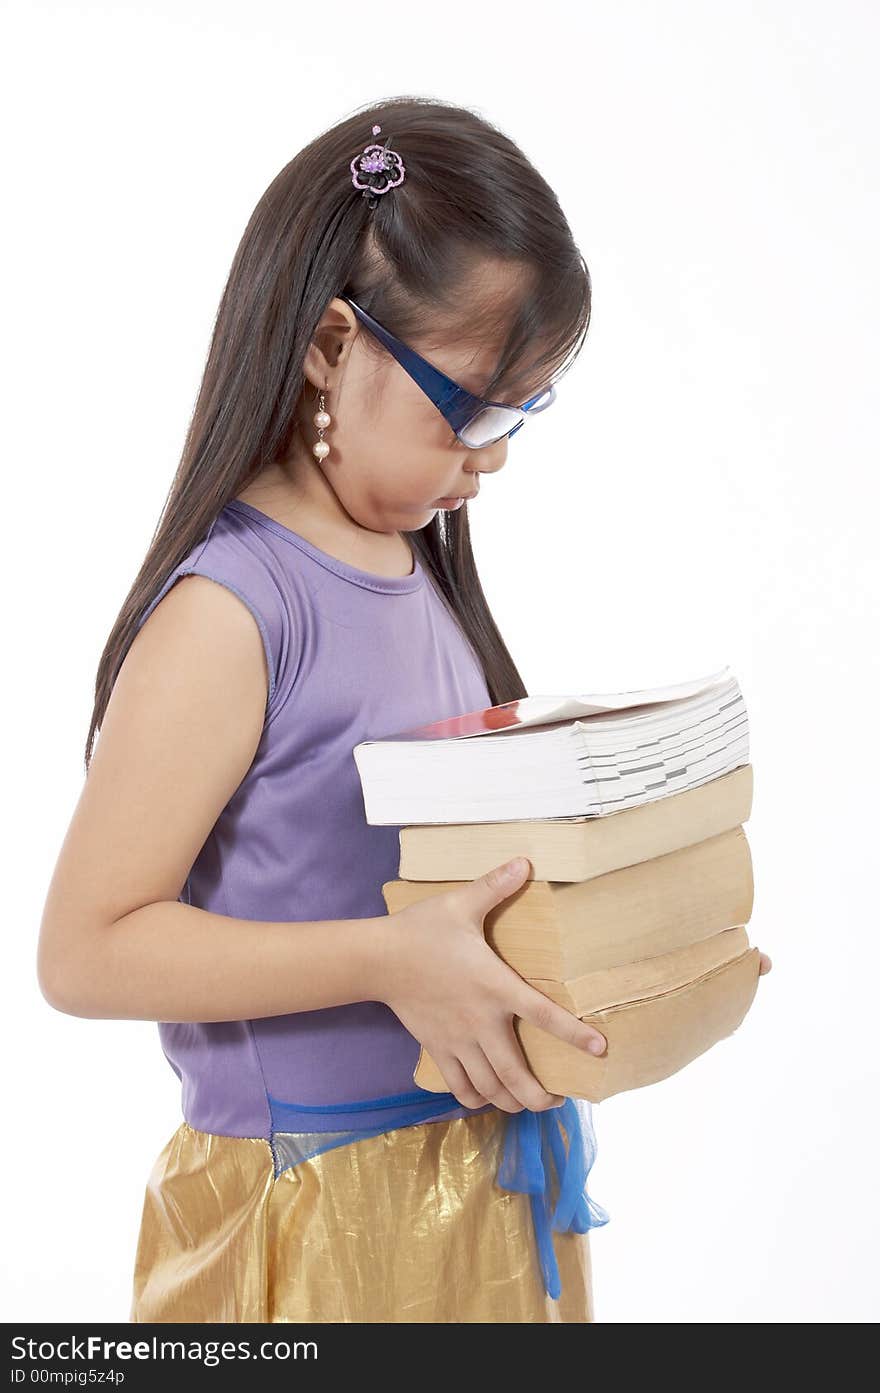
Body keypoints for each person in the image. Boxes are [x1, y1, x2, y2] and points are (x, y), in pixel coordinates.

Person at [37, 96, 771, 1325]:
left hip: (485, 1186)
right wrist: (388, 959)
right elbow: (86, 949)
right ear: (332, 346)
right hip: (319, 1210)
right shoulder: (233, 609)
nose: (490, 460)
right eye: (474, 408)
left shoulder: (417, 568)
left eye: (522, 414)